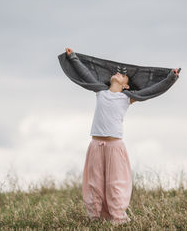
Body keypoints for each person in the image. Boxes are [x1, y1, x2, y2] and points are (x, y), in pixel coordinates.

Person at [64, 47, 179, 225]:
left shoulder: (127, 97)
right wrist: (73, 57)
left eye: (122, 75)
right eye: (116, 72)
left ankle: (117, 219)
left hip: (115, 147)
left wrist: (171, 78)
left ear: (126, 85)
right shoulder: (100, 92)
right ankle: (95, 217)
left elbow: (152, 90)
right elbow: (85, 74)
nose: (118, 73)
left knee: (115, 183)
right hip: (96, 145)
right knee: (94, 183)